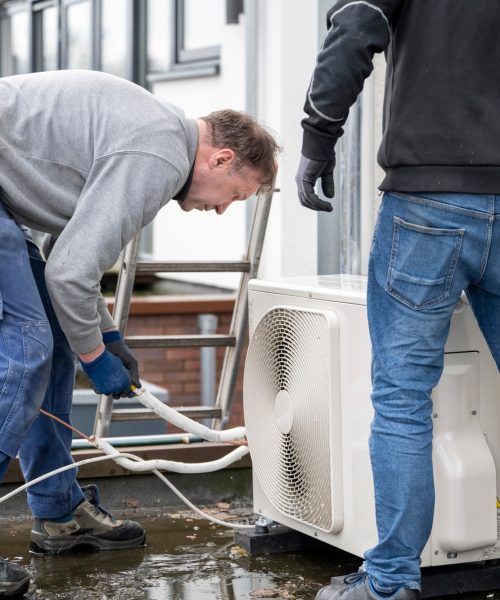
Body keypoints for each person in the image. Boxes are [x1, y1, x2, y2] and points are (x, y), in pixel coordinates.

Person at [0, 69, 279, 597]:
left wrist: (104, 337)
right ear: (220, 159)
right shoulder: (159, 156)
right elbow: (70, 274)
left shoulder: (157, 138)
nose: (220, 210)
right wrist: (95, 356)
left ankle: (59, 511)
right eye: (232, 196)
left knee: (54, 338)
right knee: (27, 347)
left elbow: (69, 249)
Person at [296, 2, 500, 599]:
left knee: (403, 398)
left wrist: (318, 136)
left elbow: (357, 25)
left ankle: (390, 583)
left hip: (428, 205)